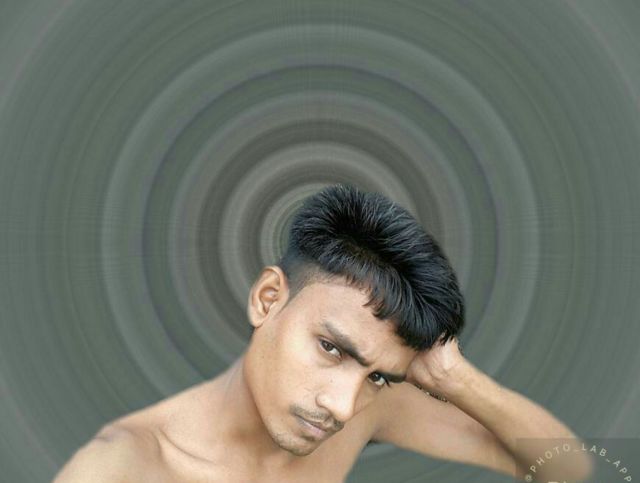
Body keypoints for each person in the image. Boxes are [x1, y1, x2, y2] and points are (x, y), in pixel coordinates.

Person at [53, 184, 593, 482]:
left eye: (378, 376)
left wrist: (456, 380)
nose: (342, 407)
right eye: (331, 348)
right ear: (268, 299)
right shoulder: (121, 469)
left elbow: (567, 469)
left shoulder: (366, 403)